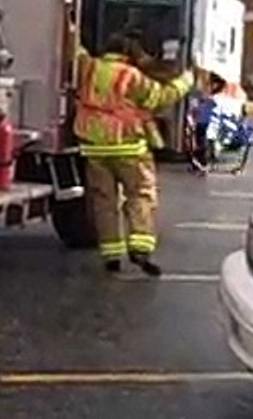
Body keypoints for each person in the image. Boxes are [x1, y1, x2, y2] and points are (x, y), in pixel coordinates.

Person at [74, 33, 194, 277]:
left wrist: (71, 23)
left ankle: (111, 255)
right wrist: (185, 81)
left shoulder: (87, 68)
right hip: (129, 147)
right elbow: (159, 98)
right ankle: (140, 249)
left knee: (103, 202)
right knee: (140, 195)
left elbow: (74, 50)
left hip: (94, 148)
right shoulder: (131, 75)